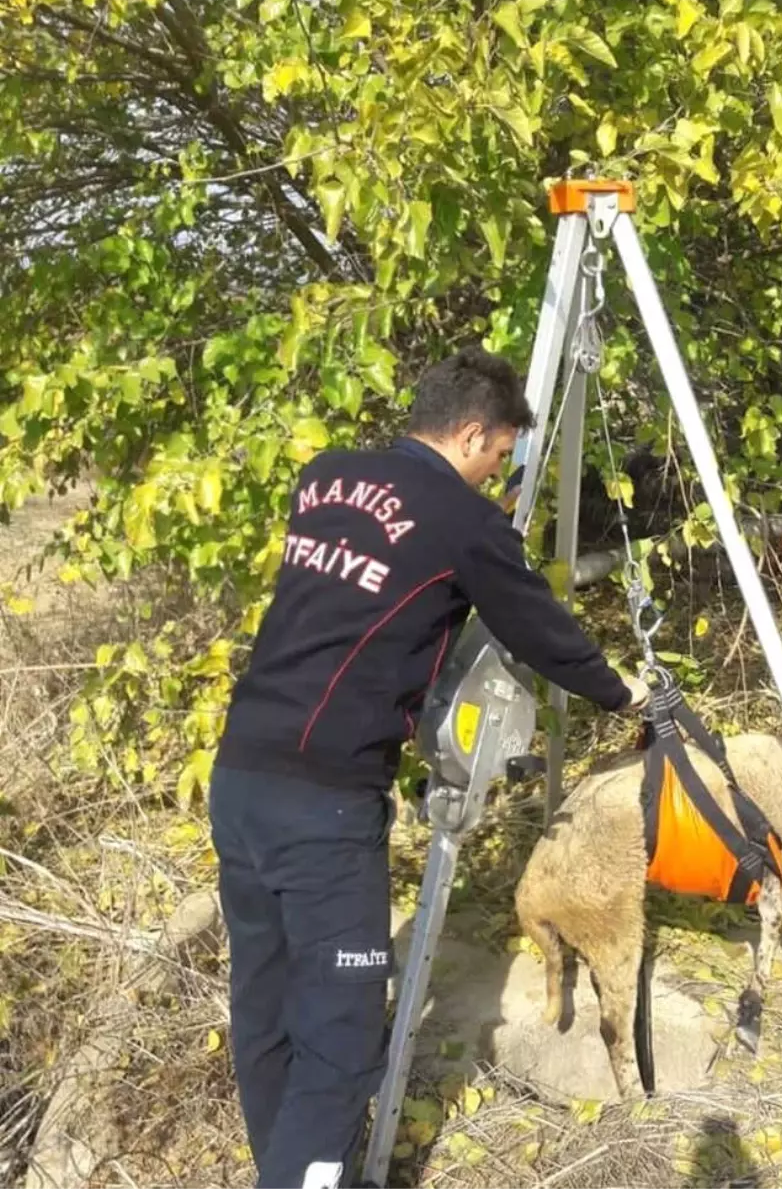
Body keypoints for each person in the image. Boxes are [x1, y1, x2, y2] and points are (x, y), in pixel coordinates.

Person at [207, 346, 649, 1189]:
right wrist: (623, 696)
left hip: (241, 778)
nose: (496, 474)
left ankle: (288, 1171)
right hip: (324, 803)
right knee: (341, 1038)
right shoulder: (464, 521)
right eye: (497, 455)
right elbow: (538, 629)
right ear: (474, 432)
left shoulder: (324, 477)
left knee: (264, 1005)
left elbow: (382, 564)